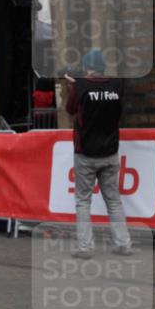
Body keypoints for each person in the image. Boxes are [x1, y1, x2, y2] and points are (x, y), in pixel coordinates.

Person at [62, 49, 133, 258]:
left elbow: (70, 109)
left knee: (83, 201)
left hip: (85, 153)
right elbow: (118, 112)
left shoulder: (80, 86)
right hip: (110, 151)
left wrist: (73, 86)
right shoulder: (117, 85)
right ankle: (123, 243)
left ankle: (85, 247)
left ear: (87, 68)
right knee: (113, 200)